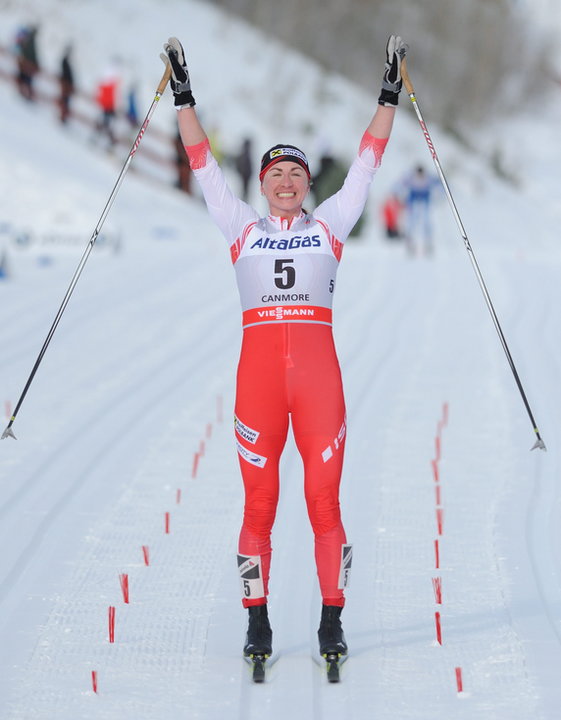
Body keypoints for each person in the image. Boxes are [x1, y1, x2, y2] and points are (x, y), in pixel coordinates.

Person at [162, 34, 407, 664]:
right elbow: (203, 167)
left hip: (319, 383)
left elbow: (366, 164)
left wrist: (388, 92)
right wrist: (184, 95)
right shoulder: (241, 227)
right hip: (261, 383)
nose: (288, 181)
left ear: (307, 183)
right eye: (277, 173)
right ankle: (257, 621)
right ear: (264, 184)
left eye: (297, 172)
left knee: (324, 501)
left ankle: (332, 621)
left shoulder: (329, 226)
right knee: (259, 506)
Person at [400, 164, 441, 256]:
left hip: (425, 202)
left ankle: (428, 242)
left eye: (421, 174)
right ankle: (410, 242)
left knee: (426, 222)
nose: (420, 176)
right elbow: (402, 184)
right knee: (412, 222)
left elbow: (438, 183)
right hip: (413, 202)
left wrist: (440, 193)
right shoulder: (411, 178)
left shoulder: (428, 178)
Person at [58, 44, 75, 124]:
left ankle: (64, 117)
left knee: (65, 101)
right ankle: (62, 117)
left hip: (67, 85)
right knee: (64, 101)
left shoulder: (66, 62)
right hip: (66, 86)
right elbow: (66, 74)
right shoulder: (65, 61)